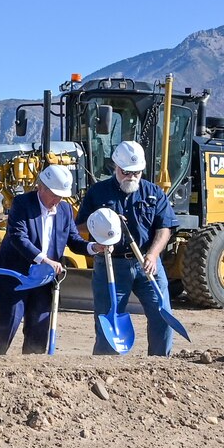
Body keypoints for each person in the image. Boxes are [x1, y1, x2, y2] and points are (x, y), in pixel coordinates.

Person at [76, 141, 179, 356]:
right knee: (108, 320)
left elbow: (165, 227)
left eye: (136, 172)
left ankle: (159, 364)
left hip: (147, 264)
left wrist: (152, 254)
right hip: (111, 264)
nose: (131, 177)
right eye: (126, 172)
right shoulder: (99, 192)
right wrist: (103, 221)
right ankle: (106, 367)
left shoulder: (154, 192)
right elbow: (79, 226)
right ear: (116, 167)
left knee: (162, 315)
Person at [0, 164, 89, 355]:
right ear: (41, 187)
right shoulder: (22, 203)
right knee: (7, 325)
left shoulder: (65, 210)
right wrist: (44, 260)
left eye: (61, 195)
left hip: (44, 281)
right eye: (54, 194)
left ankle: (33, 368)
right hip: (16, 277)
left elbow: (73, 239)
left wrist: (93, 247)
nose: (58, 200)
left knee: (38, 329)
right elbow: (18, 236)